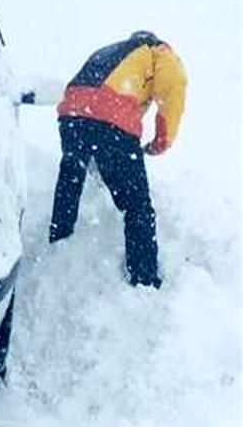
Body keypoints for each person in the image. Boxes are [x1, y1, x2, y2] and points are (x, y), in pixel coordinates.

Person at [48, 31, 187, 288]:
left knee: (71, 177)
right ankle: (144, 280)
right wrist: (161, 141)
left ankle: (57, 245)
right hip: (109, 122)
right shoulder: (158, 52)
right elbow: (174, 88)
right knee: (138, 205)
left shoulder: (112, 51)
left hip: (71, 115)